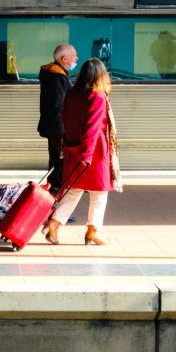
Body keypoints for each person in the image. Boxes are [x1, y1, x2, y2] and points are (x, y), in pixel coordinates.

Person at [43, 58, 122, 246]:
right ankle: (93, 231)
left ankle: (53, 225)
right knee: (99, 193)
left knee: (74, 190)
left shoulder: (72, 93)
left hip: (73, 149)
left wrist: (70, 148)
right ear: (101, 76)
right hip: (93, 154)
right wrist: (86, 155)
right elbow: (92, 128)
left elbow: (66, 121)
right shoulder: (97, 97)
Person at [37, 43, 77, 189]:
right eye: (74, 56)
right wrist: (62, 132)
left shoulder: (54, 74)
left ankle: (54, 191)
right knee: (58, 164)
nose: (76, 59)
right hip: (57, 129)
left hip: (54, 127)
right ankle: (56, 194)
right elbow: (57, 106)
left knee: (55, 161)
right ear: (64, 58)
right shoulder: (57, 77)